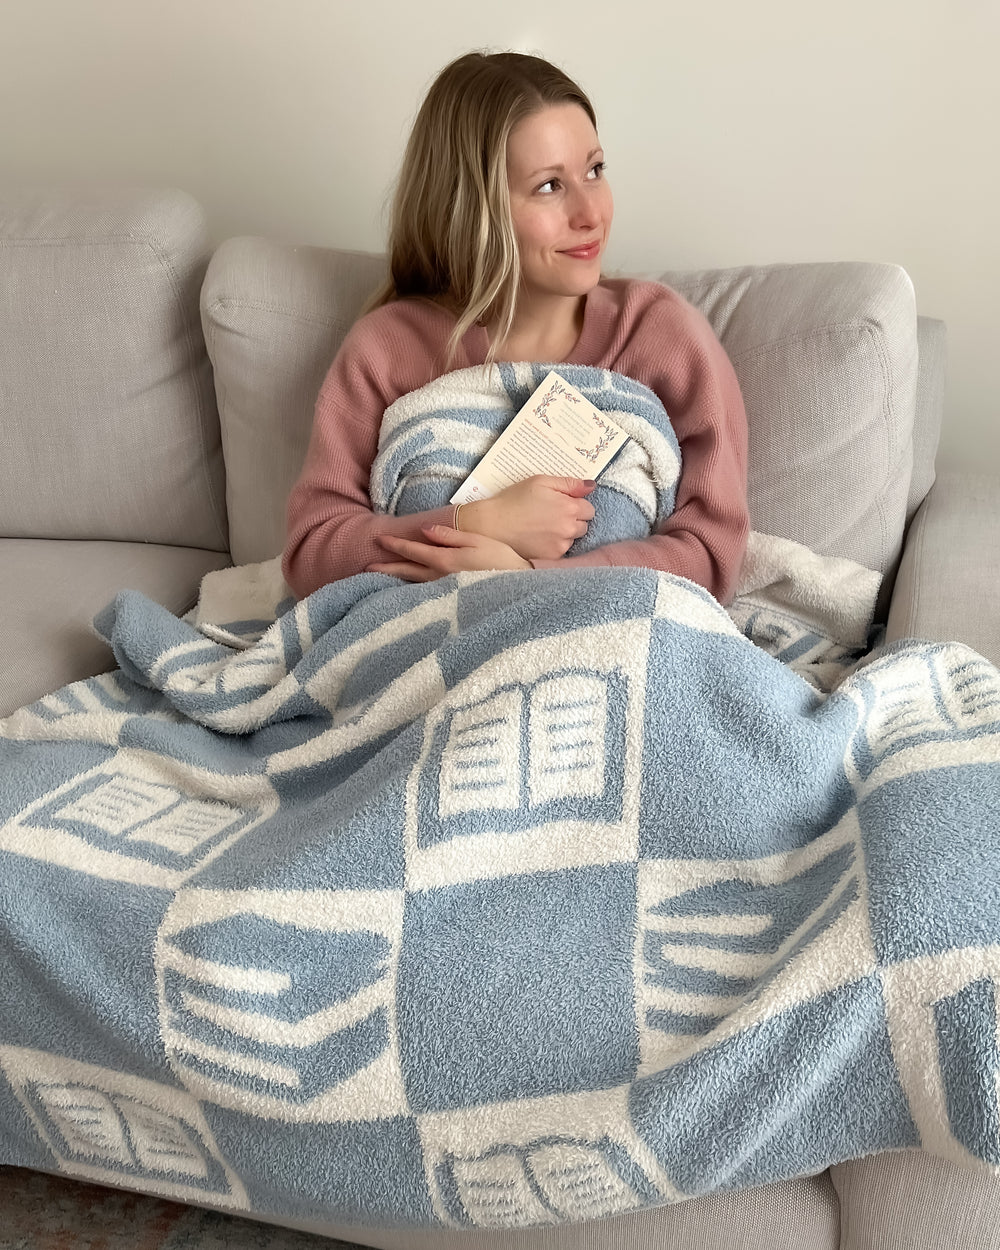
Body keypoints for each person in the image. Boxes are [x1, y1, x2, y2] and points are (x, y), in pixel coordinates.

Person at [282, 51, 749, 602]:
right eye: (549, 185)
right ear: (469, 208)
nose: (590, 213)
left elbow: (714, 553)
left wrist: (521, 581)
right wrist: (475, 525)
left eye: (594, 171)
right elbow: (312, 551)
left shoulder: (661, 336)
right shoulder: (388, 349)